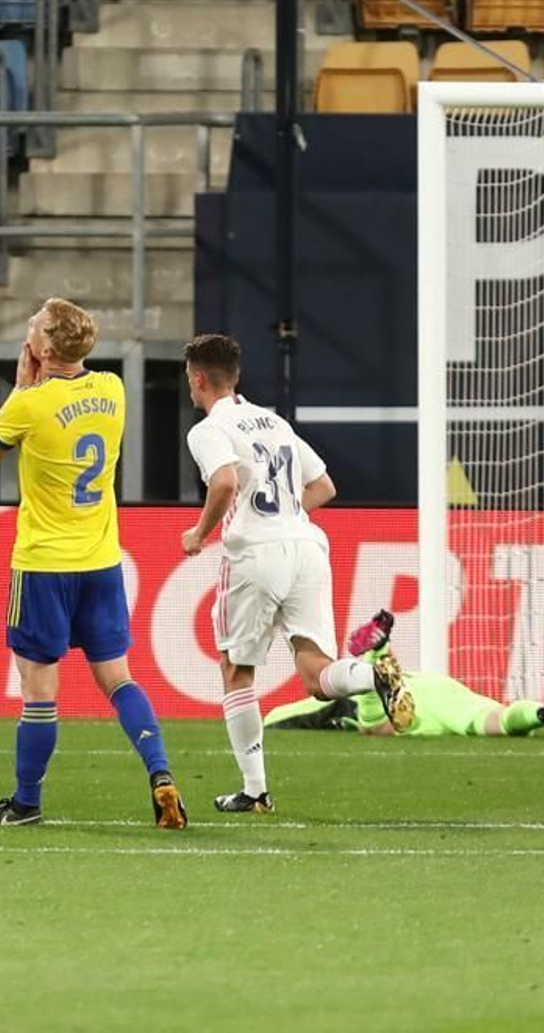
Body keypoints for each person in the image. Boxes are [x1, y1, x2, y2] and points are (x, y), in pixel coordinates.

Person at [0, 297, 187, 830]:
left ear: (42, 347)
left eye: (35, 324)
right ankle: (159, 771)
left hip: (44, 565)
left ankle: (26, 802)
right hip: (102, 561)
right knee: (118, 679)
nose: (29, 326)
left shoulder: (30, 405)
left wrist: (21, 390)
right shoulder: (113, 390)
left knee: (39, 691)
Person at [180, 333, 415, 815]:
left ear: (198, 379)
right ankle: (373, 675)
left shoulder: (209, 429)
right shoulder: (274, 421)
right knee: (315, 673)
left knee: (237, 671)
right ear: (237, 376)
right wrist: (284, 515)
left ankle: (254, 790)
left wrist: (201, 532)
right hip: (307, 547)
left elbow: (224, 481)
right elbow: (324, 486)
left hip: (256, 554)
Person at [265, 612, 544, 740]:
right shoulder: (455, 702)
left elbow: (275, 718)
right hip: (437, 689)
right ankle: (541, 712)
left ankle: (377, 661)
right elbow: (496, 719)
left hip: (402, 699)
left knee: (375, 725)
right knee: (492, 719)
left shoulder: (331, 710)